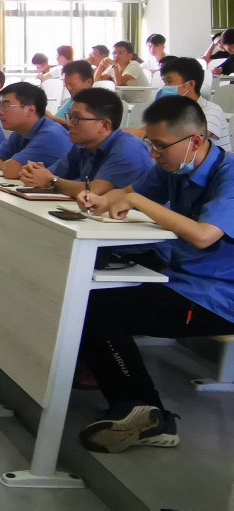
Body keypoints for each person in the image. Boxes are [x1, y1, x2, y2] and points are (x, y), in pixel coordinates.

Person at [73, 96, 234, 454]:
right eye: (150, 144)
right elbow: (131, 192)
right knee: (87, 294)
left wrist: (138, 202)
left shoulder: (230, 176)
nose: (154, 154)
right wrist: (102, 200)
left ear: (195, 141)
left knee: (99, 308)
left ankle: (148, 414)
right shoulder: (173, 168)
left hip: (217, 297)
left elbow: (204, 235)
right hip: (181, 279)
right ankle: (133, 407)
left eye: (160, 146)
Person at [19, 87, 154, 198]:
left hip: (143, 221)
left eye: (77, 118)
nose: (69, 124)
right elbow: (51, 174)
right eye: (70, 117)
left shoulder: (128, 148)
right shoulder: (82, 146)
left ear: (104, 125)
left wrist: (50, 181)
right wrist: (33, 173)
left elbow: (92, 192)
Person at [126, 57, 231, 151]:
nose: (165, 87)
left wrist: (147, 133)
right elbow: (143, 131)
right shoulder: (171, 111)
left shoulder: (212, 110)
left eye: (169, 82)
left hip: (216, 166)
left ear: (190, 84)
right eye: (164, 82)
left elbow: (192, 137)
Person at [0, 81, 72, 178]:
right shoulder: (20, 132)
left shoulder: (50, 134)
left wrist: (8, 167)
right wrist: (6, 167)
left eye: (6, 106)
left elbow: (11, 171)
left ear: (30, 110)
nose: (0, 111)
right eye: (0, 106)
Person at [47, 60, 94, 128]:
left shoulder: (93, 103)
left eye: (72, 84)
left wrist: (51, 117)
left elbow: (77, 126)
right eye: (66, 84)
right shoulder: (74, 98)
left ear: (88, 82)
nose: (68, 88)